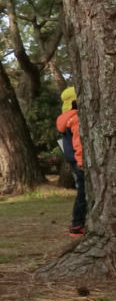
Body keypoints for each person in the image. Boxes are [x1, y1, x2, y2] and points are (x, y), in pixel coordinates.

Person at [56, 86, 86, 237]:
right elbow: (78, 142)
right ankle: (77, 224)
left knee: (82, 190)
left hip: (73, 160)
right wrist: (81, 161)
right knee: (83, 192)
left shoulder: (66, 118)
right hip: (79, 160)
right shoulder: (77, 118)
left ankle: (79, 223)